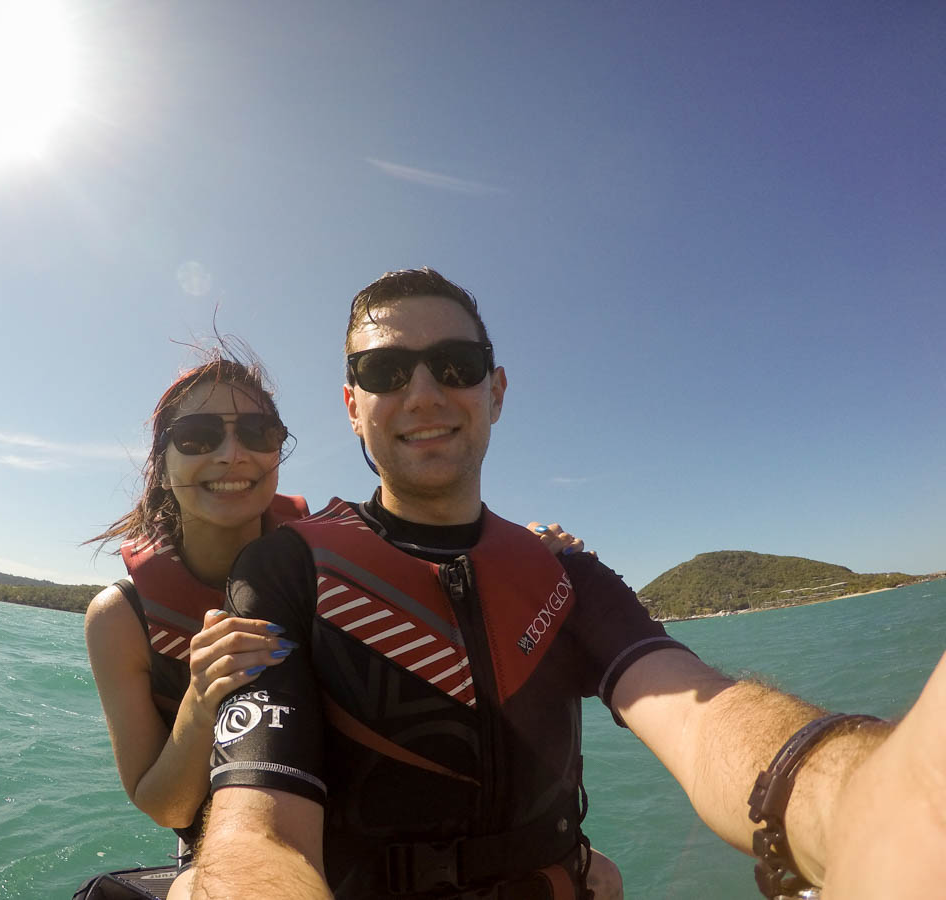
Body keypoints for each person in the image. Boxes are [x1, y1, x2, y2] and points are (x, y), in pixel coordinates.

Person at [189, 268, 944, 900]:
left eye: (456, 364)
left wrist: (862, 807)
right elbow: (257, 827)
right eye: (385, 372)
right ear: (353, 406)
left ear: (498, 391)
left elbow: (697, 708)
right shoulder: (289, 570)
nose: (423, 393)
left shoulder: (563, 575)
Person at [83, 350, 592, 899]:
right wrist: (201, 700)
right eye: (199, 436)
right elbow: (165, 805)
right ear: (162, 460)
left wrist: (520, 558)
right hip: (233, 843)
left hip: (373, 835)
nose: (232, 455)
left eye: (258, 432)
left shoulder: (342, 548)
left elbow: (446, 565)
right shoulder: (121, 618)